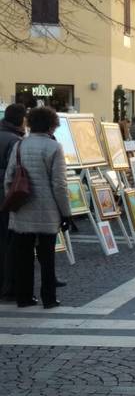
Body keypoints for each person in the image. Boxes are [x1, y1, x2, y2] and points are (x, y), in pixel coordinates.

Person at [4, 107, 70, 309]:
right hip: (47, 212)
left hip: (22, 210)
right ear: (52, 125)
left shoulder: (20, 144)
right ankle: (49, 298)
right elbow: (59, 184)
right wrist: (66, 212)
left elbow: (9, 178)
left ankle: (24, 298)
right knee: (47, 257)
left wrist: (13, 201)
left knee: (23, 258)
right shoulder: (54, 147)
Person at [0, 103, 27, 300]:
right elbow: (13, 172)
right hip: (5, 197)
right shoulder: (15, 141)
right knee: (8, 242)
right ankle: (8, 286)